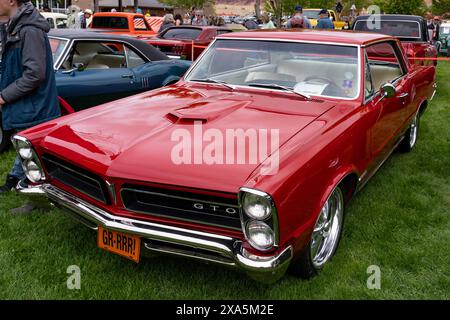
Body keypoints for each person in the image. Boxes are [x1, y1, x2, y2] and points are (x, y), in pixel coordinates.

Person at [0, 0, 60, 204]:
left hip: (34, 106)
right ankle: (14, 180)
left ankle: (35, 202)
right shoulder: (15, 26)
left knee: (33, 154)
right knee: (24, 148)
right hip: (26, 105)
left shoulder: (29, 30)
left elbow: (34, 74)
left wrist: (3, 96)